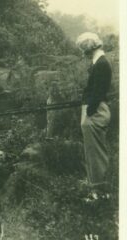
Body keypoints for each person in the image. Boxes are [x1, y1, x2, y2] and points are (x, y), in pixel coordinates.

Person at [76, 32, 112, 196]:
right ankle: (96, 187)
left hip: (96, 111)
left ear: (89, 48)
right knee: (92, 151)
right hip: (94, 110)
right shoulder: (98, 62)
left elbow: (98, 92)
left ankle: (100, 189)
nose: (83, 53)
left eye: (83, 49)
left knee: (95, 152)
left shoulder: (102, 64)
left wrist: (89, 112)